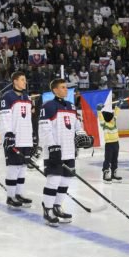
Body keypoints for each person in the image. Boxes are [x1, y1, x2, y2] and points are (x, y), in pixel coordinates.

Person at [38, 78, 81, 226]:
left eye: (66, 87)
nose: (65, 90)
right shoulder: (48, 106)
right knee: (54, 180)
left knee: (65, 180)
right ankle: (47, 209)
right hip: (54, 150)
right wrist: (52, 146)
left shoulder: (71, 106)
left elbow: (77, 126)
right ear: (55, 90)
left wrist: (82, 136)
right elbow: (44, 129)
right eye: (62, 87)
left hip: (69, 150)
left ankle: (57, 206)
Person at [0, 72, 35, 208]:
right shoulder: (7, 97)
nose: (25, 82)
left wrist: (33, 136)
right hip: (14, 137)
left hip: (25, 137)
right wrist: (8, 134)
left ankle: (19, 194)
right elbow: (4, 117)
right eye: (22, 79)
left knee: (22, 167)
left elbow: (29, 119)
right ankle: (10, 196)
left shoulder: (26, 97)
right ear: (15, 81)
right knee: (13, 167)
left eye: (25, 80)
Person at [100, 102, 122, 183]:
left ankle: (114, 174)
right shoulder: (104, 124)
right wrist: (99, 110)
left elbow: (116, 113)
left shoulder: (114, 121)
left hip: (116, 143)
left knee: (115, 159)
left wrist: (118, 106)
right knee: (107, 159)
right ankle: (105, 174)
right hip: (109, 144)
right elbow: (101, 118)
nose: (113, 116)